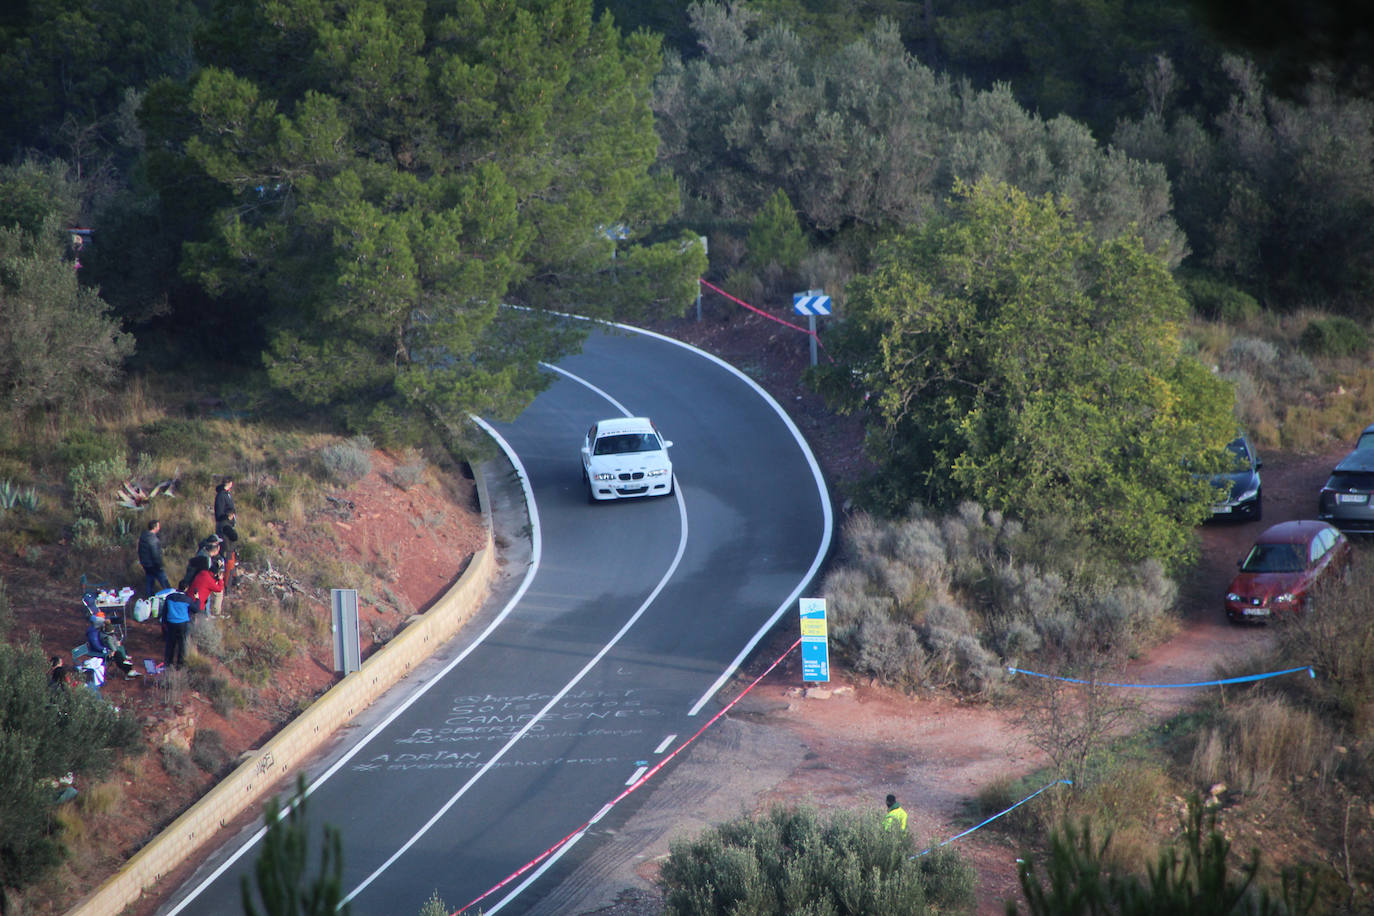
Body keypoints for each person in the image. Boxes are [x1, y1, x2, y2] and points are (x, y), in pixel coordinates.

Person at [188, 540, 225, 616]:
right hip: (198, 604)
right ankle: (211, 615)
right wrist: (220, 579)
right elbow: (219, 589)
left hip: (189, 597)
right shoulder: (209, 580)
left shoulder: (203, 573)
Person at [162, 590, 195, 669]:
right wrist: (197, 599)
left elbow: (164, 611)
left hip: (171, 623)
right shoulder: (187, 599)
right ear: (186, 588)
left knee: (170, 644)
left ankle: (168, 663)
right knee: (182, 645)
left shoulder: (169, 597)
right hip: (182, 625)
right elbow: (195, 609)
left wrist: (164, 623)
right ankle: (180, 664)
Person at [137, 519, 170, 597]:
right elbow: (155, 554)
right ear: (155, 527)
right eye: (158, 526)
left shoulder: (143, 537)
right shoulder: (152, 539)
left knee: (149, 585)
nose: (159, 528)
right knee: (166, 585)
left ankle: (150, 601)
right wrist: (160, 565)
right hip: (155, 566)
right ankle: (171, 599)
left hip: (146, 565)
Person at [216, 509, 239, 593]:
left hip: (222, 549)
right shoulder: (226, 526)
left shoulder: (219, 524)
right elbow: (234, 536)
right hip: (228, 551)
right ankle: (227, 589)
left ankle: (229, 586)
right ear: (231, 516)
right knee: (229, 570)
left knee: (227, 569)